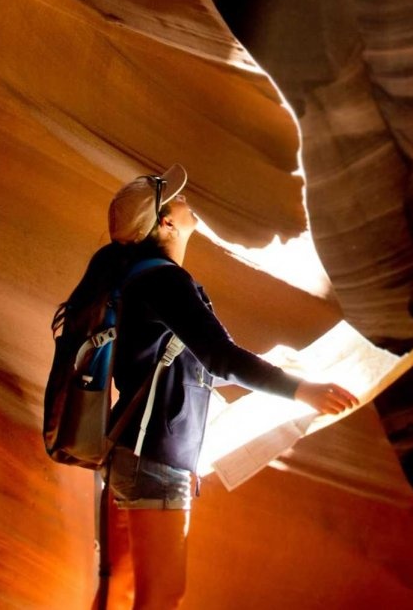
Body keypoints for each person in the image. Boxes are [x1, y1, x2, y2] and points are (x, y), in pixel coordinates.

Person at [85, 163, 358, 610]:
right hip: (154, 460)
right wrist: (301, 389)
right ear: (166, 220)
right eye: (178, 198)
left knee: (118, 588)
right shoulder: (164, 281)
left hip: (128, 450)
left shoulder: (138, 279)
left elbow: (190, 369)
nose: (189, 201)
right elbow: (220, 357)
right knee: (161, 595)